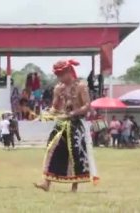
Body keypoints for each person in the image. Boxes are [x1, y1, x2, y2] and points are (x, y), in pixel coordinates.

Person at [34, 59, 98, 193]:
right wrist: (46, 114)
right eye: (58, 75)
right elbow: (55, 106)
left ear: (69, 72)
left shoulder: (81, 86)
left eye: (62, 74)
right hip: (62, 123)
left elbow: (87, 105)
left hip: (76, 124)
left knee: (75, 154)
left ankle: (74, 186)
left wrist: (74, 112)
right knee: (52, 148)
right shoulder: (58, 88)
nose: (60, 78)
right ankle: (46, 182)